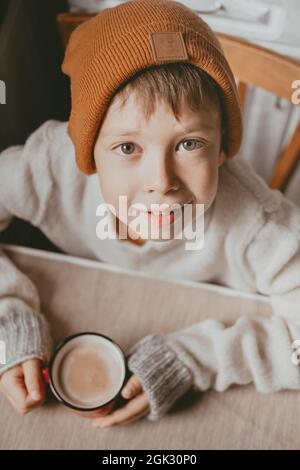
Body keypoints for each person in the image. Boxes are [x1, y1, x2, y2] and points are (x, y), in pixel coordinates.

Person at [0, 0, 300, 429]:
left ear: (221, 149)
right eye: (127, 148)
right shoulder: (51, 168)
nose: (161, 181)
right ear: (88, 153)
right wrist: (8, 318)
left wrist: (198, 358)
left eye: (189, 144)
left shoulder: (256, 222)